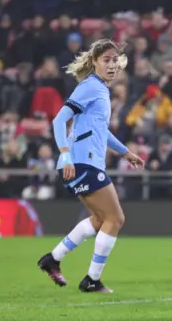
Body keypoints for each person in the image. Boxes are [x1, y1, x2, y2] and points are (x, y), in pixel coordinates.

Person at [37, 39, 145, 293]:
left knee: (100, 219)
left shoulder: (100, 90)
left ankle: (53, 259)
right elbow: (59, 119)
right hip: (81, 162)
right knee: (115, 218)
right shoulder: (90, 87)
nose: (111, 65)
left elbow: (101, 130)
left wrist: (125, 152)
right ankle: (92, 280)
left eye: (114, 60)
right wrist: (64, 154)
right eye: (106, 60)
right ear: (94, 61)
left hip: (87, 162)